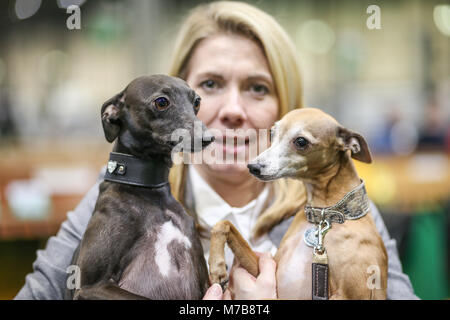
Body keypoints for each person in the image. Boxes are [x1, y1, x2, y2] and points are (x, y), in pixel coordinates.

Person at [15, 1, 418, 300]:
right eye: (209, 86)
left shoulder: (340, 211)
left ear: (287, 106)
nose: (231, 111)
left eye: (257, 88)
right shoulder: (119, 199)